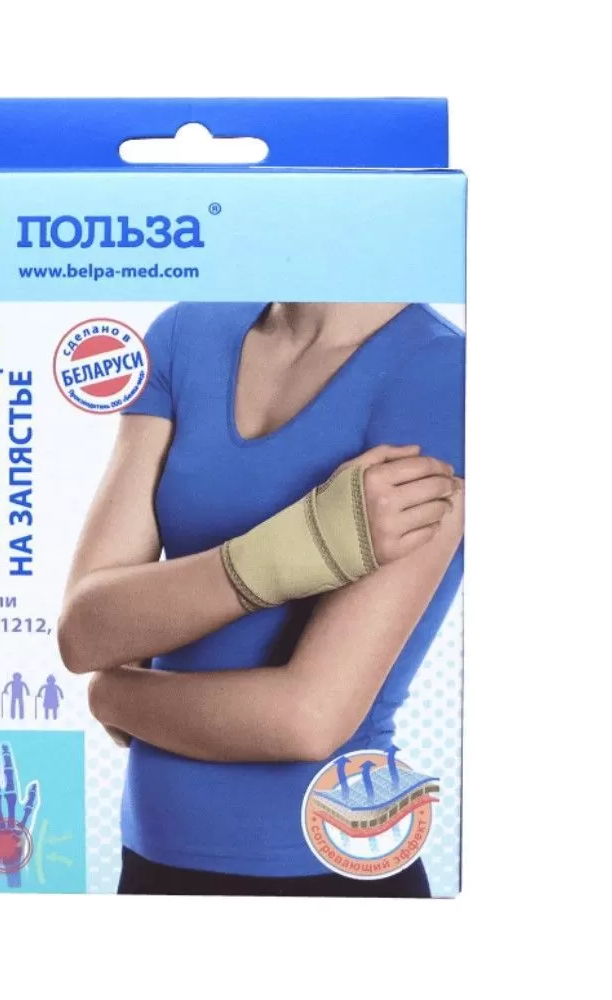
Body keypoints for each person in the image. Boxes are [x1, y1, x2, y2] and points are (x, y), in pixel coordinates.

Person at [58, 302, 465, 897]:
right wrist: (304, 547)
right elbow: (83, 632)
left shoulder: (443, 373)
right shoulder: (182, 333)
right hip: (148, 857)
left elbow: (306, 719)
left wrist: (112, 694)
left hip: (329, 871)